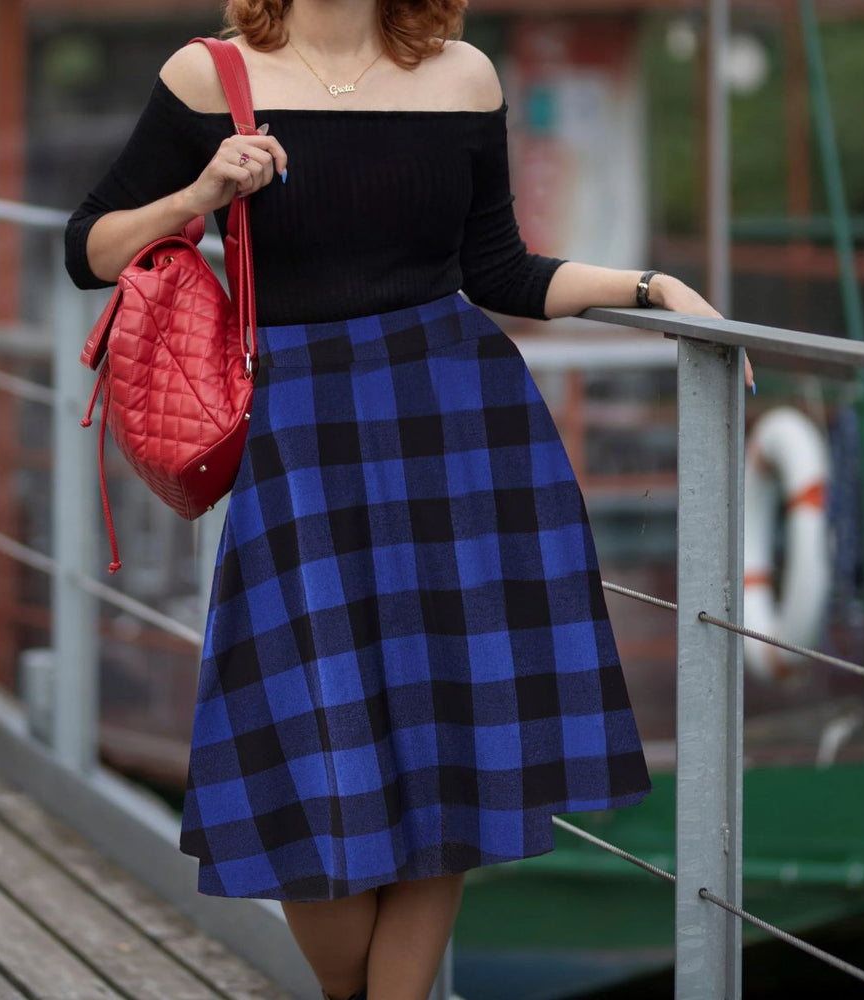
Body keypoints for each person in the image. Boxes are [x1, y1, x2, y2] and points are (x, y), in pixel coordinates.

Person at [64, 1, 755, 997]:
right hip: (301, 445)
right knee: (309, 745)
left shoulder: (463, 75)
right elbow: (87, 248)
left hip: (458, 431)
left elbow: (499, 269)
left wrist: (654, 288)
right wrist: (199, 193)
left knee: (450, 747)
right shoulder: (211, 76)